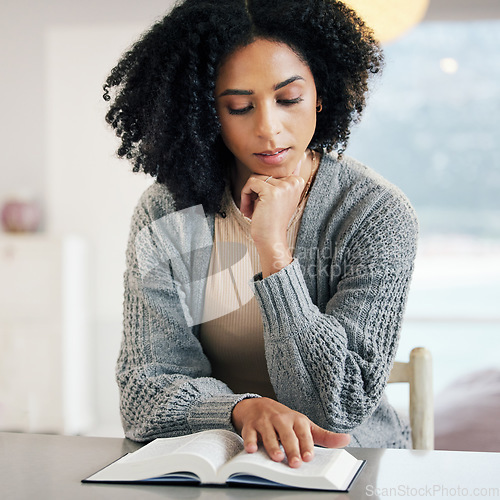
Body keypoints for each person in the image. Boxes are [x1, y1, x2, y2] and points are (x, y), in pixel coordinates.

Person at [104, 0, 418, 468]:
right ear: (206, 112)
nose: (269, 129)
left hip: (351, 465)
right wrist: (240, 409)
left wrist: (273, 252)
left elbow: (339, 406)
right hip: (223, 458)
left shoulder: (374, 213)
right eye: (239, 107)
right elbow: (145, 391)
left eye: (289, 99)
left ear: (321, 94)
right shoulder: (169, 213)